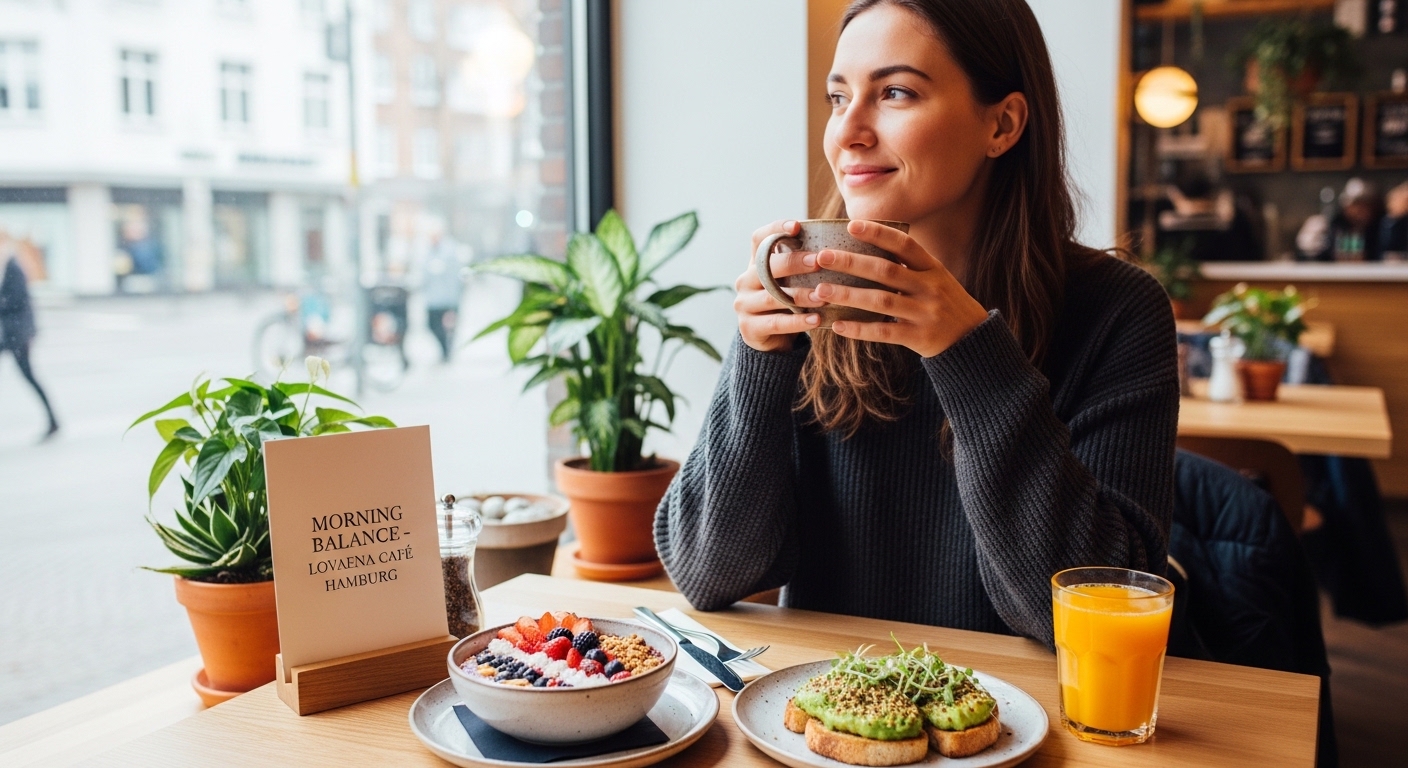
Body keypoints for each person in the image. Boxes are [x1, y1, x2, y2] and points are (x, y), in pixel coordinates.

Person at [654, 0, 1178, 647]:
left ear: (1003, 124)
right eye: (837, 96)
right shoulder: (817, 302)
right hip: (834, 720)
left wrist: (968, 353)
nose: (847, 132)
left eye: (895, 92)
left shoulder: (1119, 310)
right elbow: (707, 574)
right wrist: (758, 360)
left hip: (1029, 729)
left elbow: (1101, 621)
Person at [0, 236, 59, 439]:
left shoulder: (13, 267)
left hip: (18, 334)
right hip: (9, 334)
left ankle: (53, 420)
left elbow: (15, 301)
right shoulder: (5, 266)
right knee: (29, 376)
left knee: (29, 376)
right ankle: (53, 420)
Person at [422, 231, 465, 362]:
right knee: (432, 326)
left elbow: (455, 279)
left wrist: (453, 303)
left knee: (449, 328)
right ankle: (445, 350)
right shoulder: (427, 252)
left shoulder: (449, 253)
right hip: (433, 300)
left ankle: (446, 352)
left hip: (447, 300)